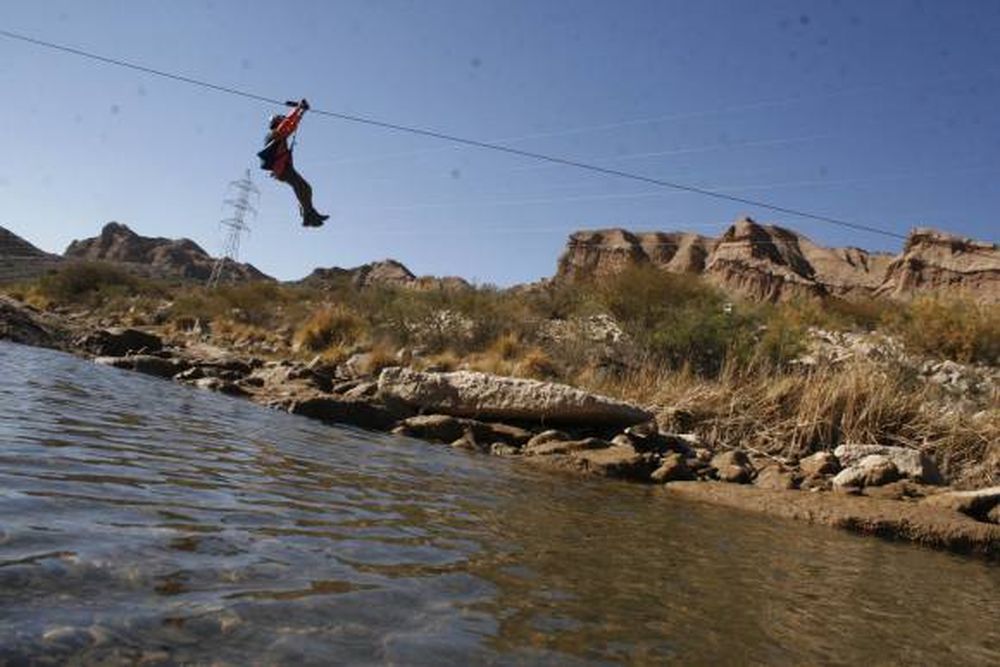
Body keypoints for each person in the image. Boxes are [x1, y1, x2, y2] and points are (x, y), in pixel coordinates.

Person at [257, 99, 329, 227]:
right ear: (276, 122)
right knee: (302, 187)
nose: (283, 119)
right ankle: (308, 215)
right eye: (280, 119)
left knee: (305, 188)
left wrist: (301, 112)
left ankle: (309, 214)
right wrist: (298, 108)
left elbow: (292, 125)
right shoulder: (275, 134)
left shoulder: (281, 134)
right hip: (282, 169)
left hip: (284, 169)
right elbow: (288, 123)